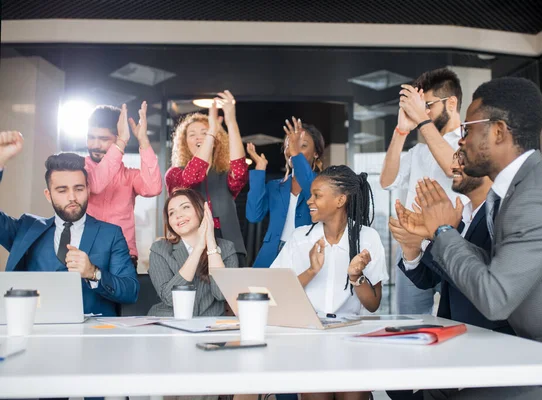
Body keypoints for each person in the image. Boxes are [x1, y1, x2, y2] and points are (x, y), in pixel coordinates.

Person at [397, 77, 542, 399]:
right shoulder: (520, 191)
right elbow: (498, 269)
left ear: (498, 131)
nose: (460, 142)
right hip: (535, 350)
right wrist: (438, 235)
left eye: (466, 129)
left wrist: (445, 232)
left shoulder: (537, 197)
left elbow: (495, 299)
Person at [272, 165, 388, 400]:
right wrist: (312, 271)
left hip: (353, 340)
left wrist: (356, 277)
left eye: (317, 195)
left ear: (340, 200)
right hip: (309, 340)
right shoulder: (300, 238)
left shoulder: (367, 237)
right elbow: (278, 294)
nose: (309, 201)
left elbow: (373, 304)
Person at [0, 135, 138, 316]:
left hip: (93, 338)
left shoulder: (110, 234)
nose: (72, 197)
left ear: (88, 190)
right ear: (48, 195)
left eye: (79, 189)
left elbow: (131, 291)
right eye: (62, 190)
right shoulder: (25, 229)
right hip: (37, 332)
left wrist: (93, 273)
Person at [392, 151, 513, 333]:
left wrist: (431, 239)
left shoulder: (504, 214)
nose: (453, 166)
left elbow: (479, 278)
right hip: (457, 331)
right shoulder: (459, 217)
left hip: (491, 335)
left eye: (462, 159)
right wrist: (411, 247)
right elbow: (429, 279)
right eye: (454, 159)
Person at [379, 68, 467, 315]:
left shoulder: (468, 141)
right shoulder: (418, 151)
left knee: (458, 322)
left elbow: (454, 167)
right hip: (413, 249)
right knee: (411, 324)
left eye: (427, 105)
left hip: (454, 247)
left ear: (451, 102)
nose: (422, 112)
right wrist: (401, 131)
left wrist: (422, 120)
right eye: (420, 107)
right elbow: (386, 181)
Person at [166, 91, 248, 267]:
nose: (199, 137)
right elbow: (191, 176)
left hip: (230, 246)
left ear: (217, 140)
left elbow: (240, 171)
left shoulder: (224, 173)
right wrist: (211, 132)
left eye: (204, 132)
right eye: (192, 134)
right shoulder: (175, 174)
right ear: (184, 142)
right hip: (193, 247)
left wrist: (231, 121)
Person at [85, 101, 163, 268]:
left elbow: (153, 187)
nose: (95, 145)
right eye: (91, 137)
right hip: (85, 255)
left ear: (117, 137)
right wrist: (120, 143)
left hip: (122, 256)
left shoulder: (129, 176)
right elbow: (96, 185)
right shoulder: (79, 168)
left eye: (104, 139)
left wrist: (143, 141)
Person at [246, 117, 325, 267]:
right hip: (272, 255)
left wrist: (296, 154)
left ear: (316, 153)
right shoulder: (275, 186)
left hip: (307, 255)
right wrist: (259, 171)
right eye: (289, 145)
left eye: (302, 146)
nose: (292, 150)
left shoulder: (324, 184)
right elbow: (253, 215)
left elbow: (311, 188)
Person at [148, 188, 238, 317]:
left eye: (185, 207)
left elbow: (222, 294)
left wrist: (211, 243)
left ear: (201, 210)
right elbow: (169, 298)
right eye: (171, 213)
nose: (178, 215)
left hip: (210, 326)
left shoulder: (226, 248)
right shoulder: (159, 249)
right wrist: (198, 248)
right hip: (169, 322)